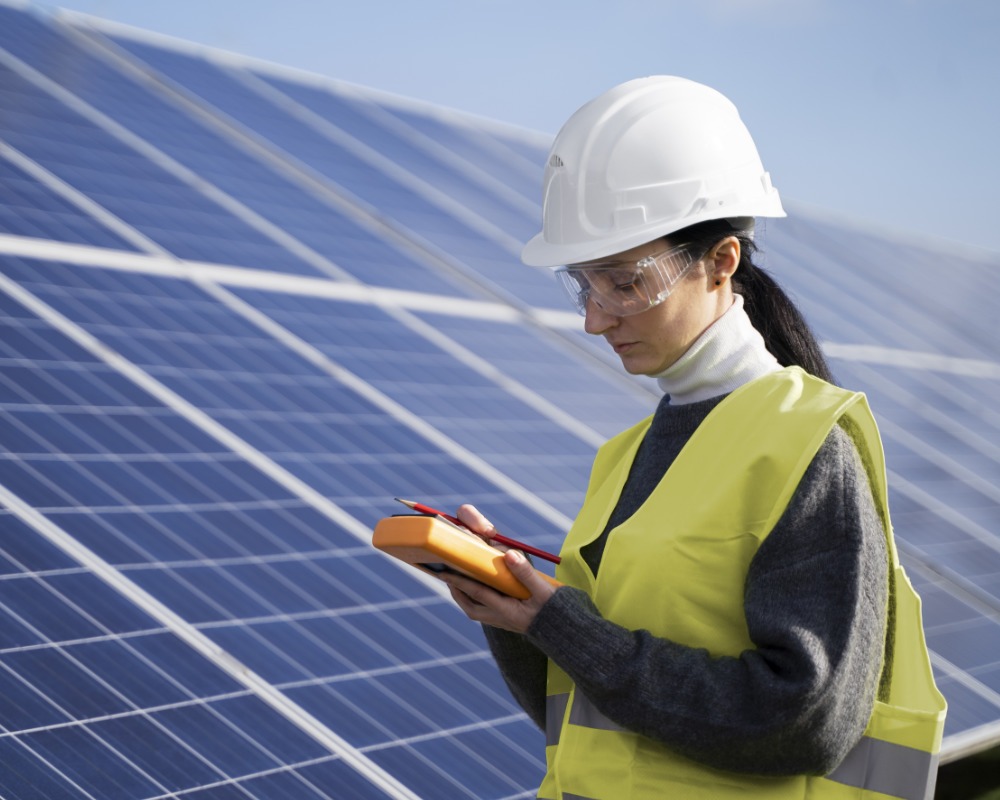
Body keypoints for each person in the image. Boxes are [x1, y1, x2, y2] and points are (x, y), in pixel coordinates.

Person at [440, 76, 946, 799]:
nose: (595, 318)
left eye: (624, 282)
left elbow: (805, 719)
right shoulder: (624, 457)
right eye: (583, 285)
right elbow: (590, 713)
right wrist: (520, 615)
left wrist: (567, 627)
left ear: (721, 262)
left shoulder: (804, 444)